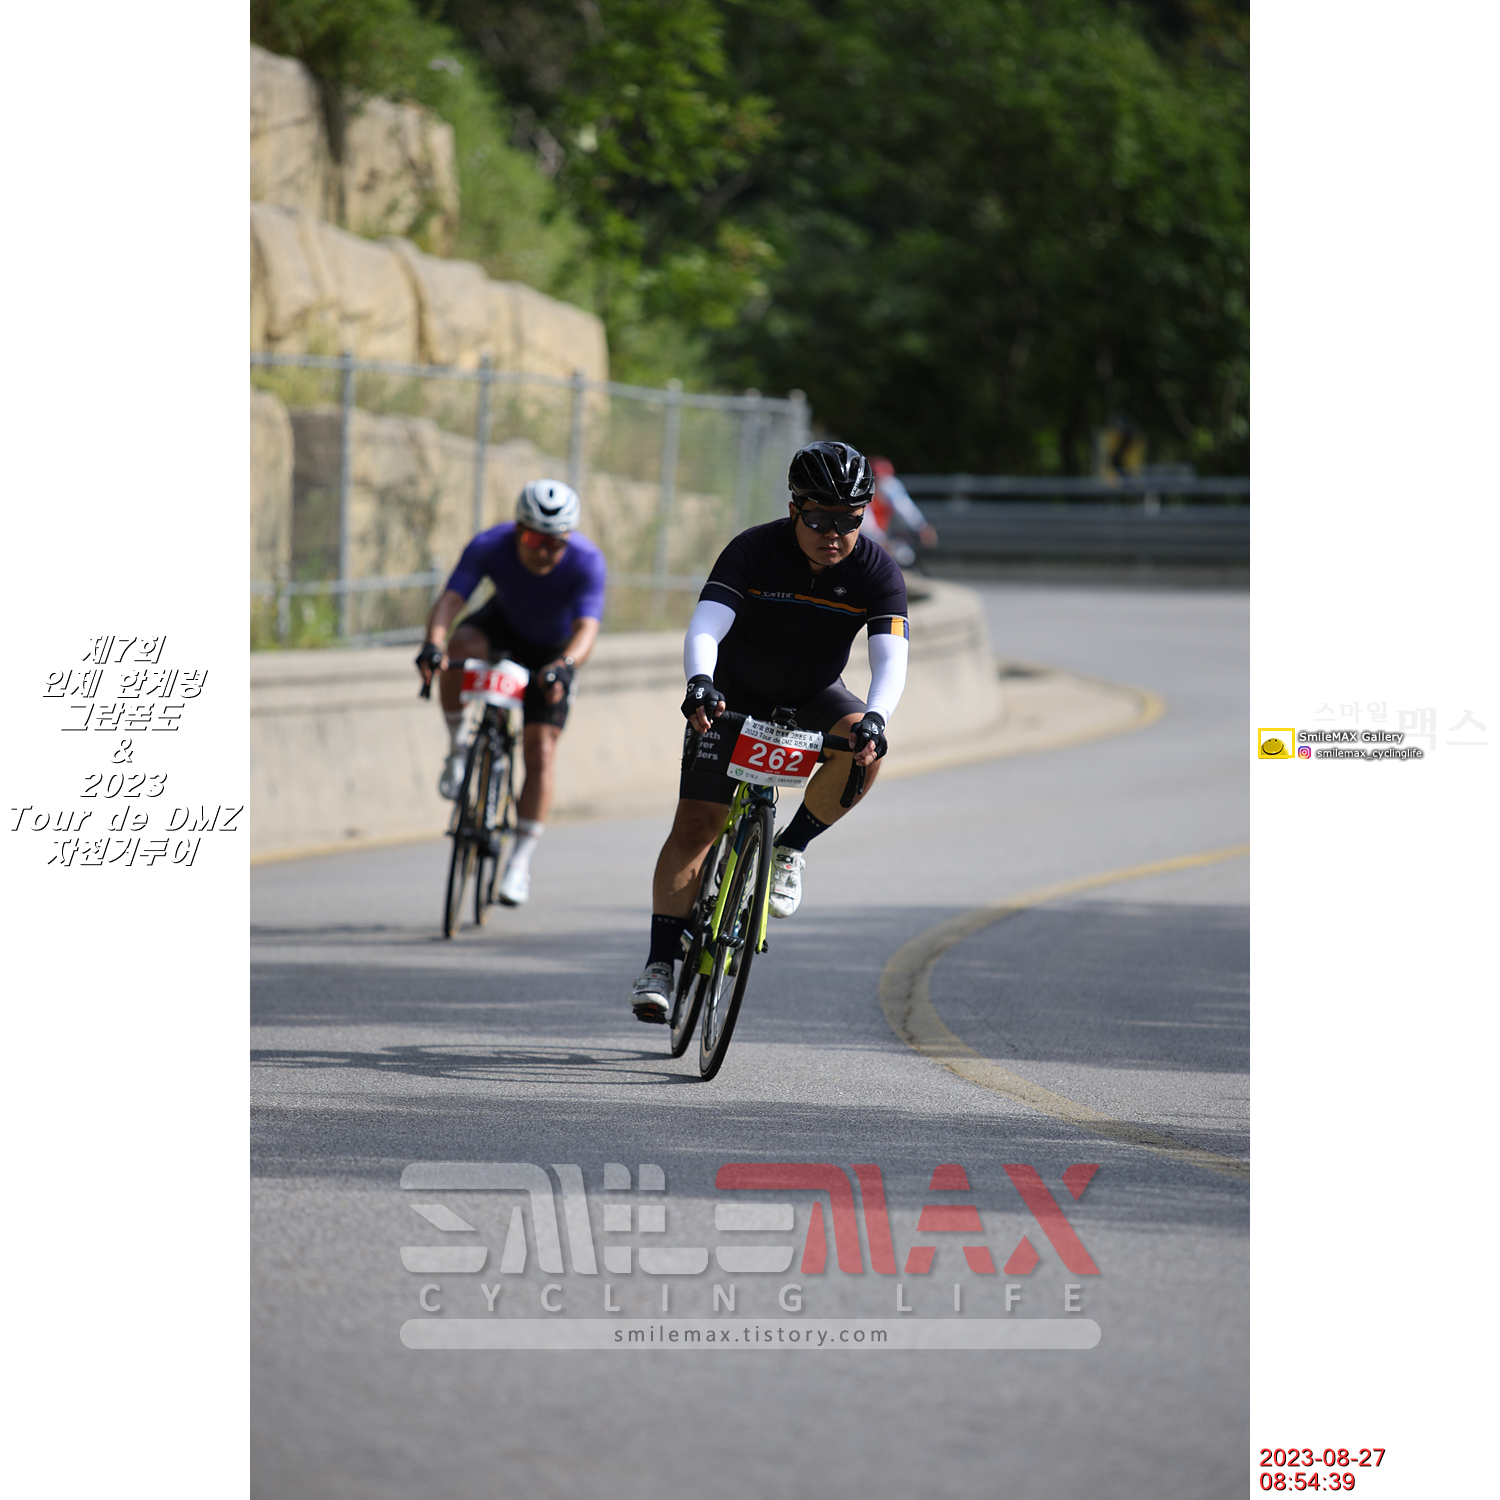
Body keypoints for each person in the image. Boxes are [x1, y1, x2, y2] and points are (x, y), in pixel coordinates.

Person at [628, 440, 910, 1022]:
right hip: (734, 696)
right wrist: (700, 683)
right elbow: (707, 625)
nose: (834, 534)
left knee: (866, 749)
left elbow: (891, 656)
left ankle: (789, 848)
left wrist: (877, 719)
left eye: (849, 521)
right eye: (820, 519)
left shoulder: (876, 569)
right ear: (793, 510)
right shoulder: (754, 549)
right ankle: (659, 962)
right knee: (697, 824)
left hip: (813, 696)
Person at [415, 480, 605, 907]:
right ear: (518, 530)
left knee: (540, 752)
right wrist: (432, 644)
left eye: (555, 544)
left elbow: (587, 629)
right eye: (535, 540)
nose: (544, 552)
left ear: (568, 540)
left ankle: (519, 863)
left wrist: (565, 666)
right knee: (458, 649)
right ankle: (458, 749)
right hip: (501, 629)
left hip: (553, 652)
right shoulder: (490, 544)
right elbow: (450, 601)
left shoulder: (587, 560)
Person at [866, 457, 938, 568]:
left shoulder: (889, 486)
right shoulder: (861, 493)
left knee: (904, 555)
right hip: (861, 540)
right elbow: (863, 523)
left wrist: (922, 527)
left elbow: (904, 507)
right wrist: (880, 540)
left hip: (879, 538)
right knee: (897, 556)